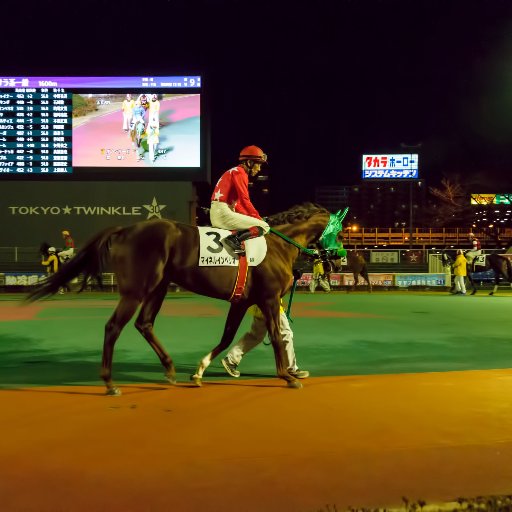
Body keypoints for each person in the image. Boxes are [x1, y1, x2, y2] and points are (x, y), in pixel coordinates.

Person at [221, 301, 309, 379]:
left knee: (255, 336)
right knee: (286, 334)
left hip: (261, 303)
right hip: (271, 303)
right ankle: (291, 369)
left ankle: (230, 360)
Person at [210, 145, 270, 255]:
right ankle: (234, 239)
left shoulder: (235, 171)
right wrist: (258, 218)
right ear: (249, 163)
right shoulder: (240, 172)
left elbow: (238, 206)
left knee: (258, 223)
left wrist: (253, 218)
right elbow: (244, 200)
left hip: (221, 211)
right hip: (223, 213)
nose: (259, 169)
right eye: (258, 165)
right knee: (265, 227)